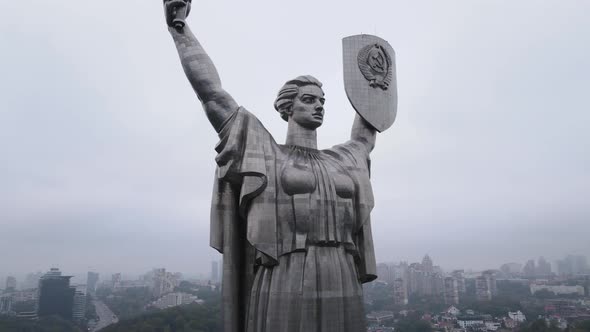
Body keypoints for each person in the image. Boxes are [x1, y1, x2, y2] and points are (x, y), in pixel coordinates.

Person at [164, 1, 378, 331]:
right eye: (309, 99)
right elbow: (213, 96)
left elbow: (368, 128)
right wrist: (179, 28)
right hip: (286, 274)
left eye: (322, 101)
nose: (319, 106)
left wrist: (375, 78)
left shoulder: (343, 160)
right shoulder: (265, 151)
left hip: (342, 271)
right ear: (286, 108)